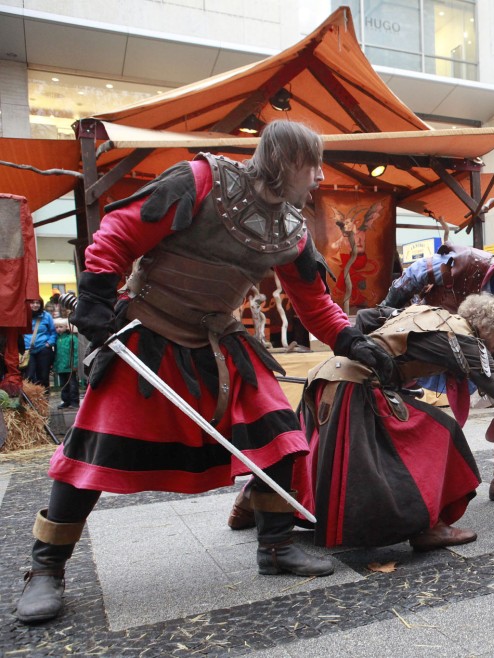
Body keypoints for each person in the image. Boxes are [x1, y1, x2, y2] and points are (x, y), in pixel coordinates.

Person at [14, 120, 398, 625]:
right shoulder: (199, 180)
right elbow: (120, 230)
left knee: (281, 436)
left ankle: (277, 546)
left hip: (220, 343)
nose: (321, 177)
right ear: (287, 161)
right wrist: (96, 296)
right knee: (92, 451)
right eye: (314, 166)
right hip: (148, 333)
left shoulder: (292, 227)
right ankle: (47, 569)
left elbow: (314, 303)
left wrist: (352, 341)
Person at [251, 295, 494, 551]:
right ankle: (427, 527)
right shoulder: (464, 341)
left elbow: (369, 317)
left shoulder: (424, 313)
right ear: (489, 328)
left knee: (307, 455)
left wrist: (384, 365)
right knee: (441, 433)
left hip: (326, 380)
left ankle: (248, 505)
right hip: (356, 388)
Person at [379, 247, 494, 505]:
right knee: (392, 400)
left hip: (484, 353)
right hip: (428, 341)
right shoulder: (467, 263)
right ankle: (398, 487)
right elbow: (415, 273)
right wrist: (387, 311)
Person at [22, 298, 56, 390]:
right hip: (27, 350)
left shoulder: (46, 316)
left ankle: (44, 396)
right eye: (32, 303)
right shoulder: (22, 315)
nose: (35, 305)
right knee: (29, 376)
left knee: (43, 376)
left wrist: (49, 343)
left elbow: (53, 332)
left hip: (43, 348)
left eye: (38, 303)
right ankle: (30, 397)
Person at [52, 319, 79, 409]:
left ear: (66, 327)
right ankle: (66, 401)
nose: (58, 329)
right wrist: (55, 365)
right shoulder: (56, 339)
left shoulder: (71, 338)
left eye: (61, 327)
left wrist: (75, 364)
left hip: (70, 365)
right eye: (56, 327)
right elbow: (55, 354)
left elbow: (76, 352)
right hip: (60, 366)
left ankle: (74, 401)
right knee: (63, 385)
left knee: (73, 384)